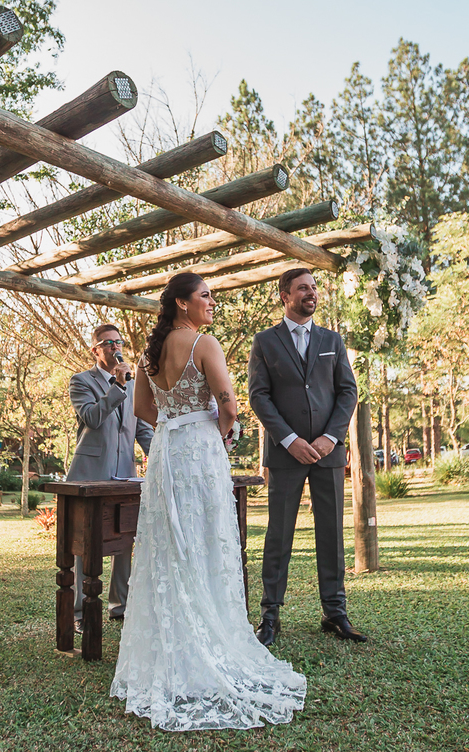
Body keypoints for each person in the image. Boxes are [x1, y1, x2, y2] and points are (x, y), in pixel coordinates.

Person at [110, 272, 305, 731]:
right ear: (182, 303)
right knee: (204, 540)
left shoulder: (148, 354)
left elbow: (142, 410)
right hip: (197, 452)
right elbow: (230, 403)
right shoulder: (203, 343)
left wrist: (176, 422)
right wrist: (215, 431)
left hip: (165, 454)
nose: (211, 303)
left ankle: (171, 648)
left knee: (168, 547)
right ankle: (211, 643)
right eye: (205, 296)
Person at [248, 268, 363, 647]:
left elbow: (347, 391)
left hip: (329, 453)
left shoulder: (333, 339)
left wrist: (332, 438)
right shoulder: (264, 341)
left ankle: (335, 612)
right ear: (285, 295)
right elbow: (258, 396)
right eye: (303, 288)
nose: (311, 294)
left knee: (330, 532)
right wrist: (290, 439)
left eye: (314, 288)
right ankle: (270, 616)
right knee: (278, 534)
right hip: (286, 454)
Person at [66, 324, 154, 632]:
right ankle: (79, 613)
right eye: (108, 343)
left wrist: (163, 452)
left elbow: (141, 428)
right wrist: (116, 386)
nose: (115, 347)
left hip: (124, 476)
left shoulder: (131, 385)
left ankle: (121, 605)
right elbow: (91, 417)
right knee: (82, 547)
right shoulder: (81, 381)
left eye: (118, 342)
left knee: (124, 540)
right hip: (88, 476)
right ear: (95, 350)